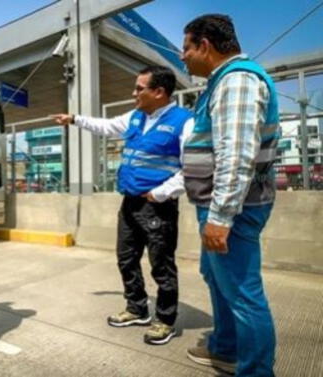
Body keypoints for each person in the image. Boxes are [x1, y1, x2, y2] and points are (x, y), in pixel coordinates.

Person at [52, 65, 193, 345]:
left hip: (157, 207)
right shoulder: (136, 116)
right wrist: (74, 119)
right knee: (126, 258)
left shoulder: (184, 121)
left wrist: (161, 194)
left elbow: (193, 168)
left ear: (159, 92)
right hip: (129, 203)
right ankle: (137, 308)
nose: (134, 93)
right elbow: (106, 126)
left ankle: (164, 320)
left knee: (161, 265)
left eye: (140, 88)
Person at [181, 14, 279, 376]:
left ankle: (254, 370)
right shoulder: (222, 81)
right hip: (219, 205)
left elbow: (236, 156)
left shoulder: (237, 81)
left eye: (186, 48)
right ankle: (225, 348)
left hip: (232, 210)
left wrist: (221, 218)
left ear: (205, 46)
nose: (182, 56)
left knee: (243, 294)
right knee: (217, 277)